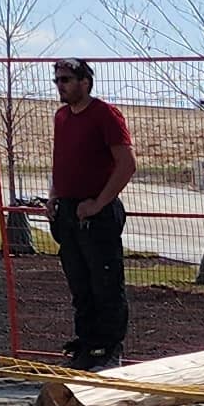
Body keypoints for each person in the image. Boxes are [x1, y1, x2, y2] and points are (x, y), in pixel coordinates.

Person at [45, 61, 136, 368]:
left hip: (97, 213)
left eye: (66, 79)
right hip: (68, 212)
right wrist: (53, 197)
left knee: (105, 283)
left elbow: (126, 164)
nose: (60, 85)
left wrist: (98, 204)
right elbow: (61, 163)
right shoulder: (61, 117)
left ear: (85, 82)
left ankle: (107, 350)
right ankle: (86, 345)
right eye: (57, 80)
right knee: (80, 285)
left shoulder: (105, 114)